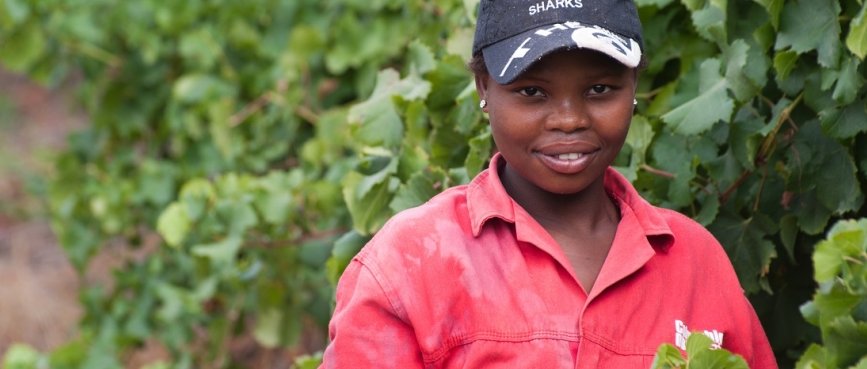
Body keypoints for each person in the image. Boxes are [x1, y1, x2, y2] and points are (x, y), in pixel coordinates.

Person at [321, 0, 777, 367]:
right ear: (483, 86)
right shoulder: (410, 265)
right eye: (532, 92)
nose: (569, 119)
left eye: (599, 90)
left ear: (634, 83)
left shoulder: (695, 261)